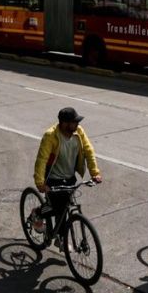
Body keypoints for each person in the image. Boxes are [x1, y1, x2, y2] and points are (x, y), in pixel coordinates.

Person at [33, 107, 103, 249]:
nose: (77, 125)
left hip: (69, 177)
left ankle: (59, 237)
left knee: (64, 207)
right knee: (58, 208)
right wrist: (40, 182)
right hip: (52, 177)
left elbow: (89, 150)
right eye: (73, 122)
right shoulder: (50, 136)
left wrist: (94, 172)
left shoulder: (79, 132)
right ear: (64, 124)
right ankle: (37, 214)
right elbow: (41, 159)